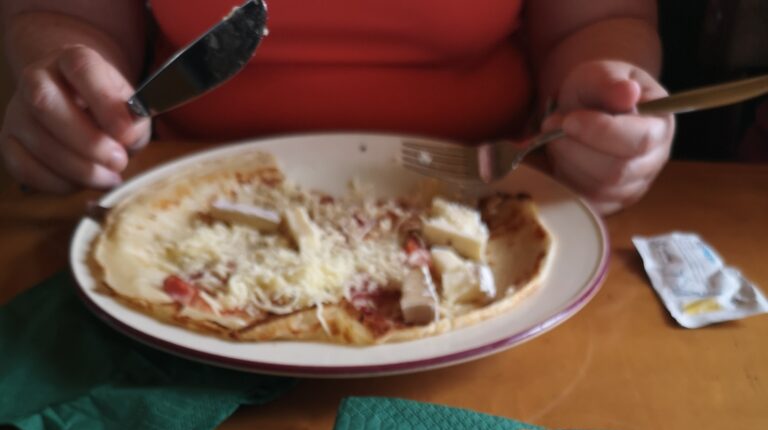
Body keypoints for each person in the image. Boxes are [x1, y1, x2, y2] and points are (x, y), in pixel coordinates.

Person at [0, 1, 674, 214]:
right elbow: (60, 13)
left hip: (493, 199)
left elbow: (599, 16)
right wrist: (70, 89)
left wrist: (607, 104)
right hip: (178, 199)